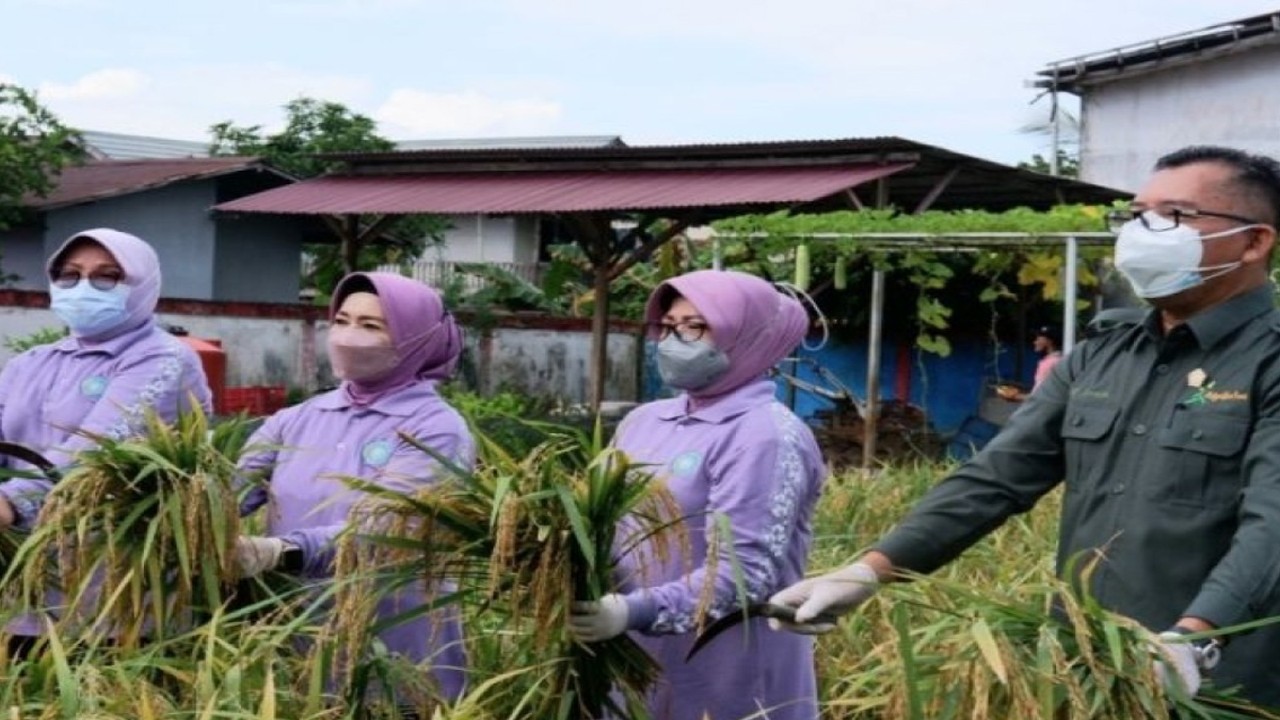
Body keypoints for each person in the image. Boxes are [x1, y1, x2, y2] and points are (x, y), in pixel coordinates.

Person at [768, 145, 1280, 705]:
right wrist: (869, 571)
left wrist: (1196, 637)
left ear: (1255, 241)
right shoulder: (1102, 356)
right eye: (1137, 215)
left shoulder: (1269, 361)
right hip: (1087, 667)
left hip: (1224, 682)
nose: (1144, 231)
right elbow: (995, 478)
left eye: (1174, 216)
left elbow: (1272, 525)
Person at [567, 270, 827, 720]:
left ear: (744, 336)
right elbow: (599, 522)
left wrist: (633, 609)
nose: (675, 340)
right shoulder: (645, 421)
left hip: (730, 667)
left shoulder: (765, 434)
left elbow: (745, 574)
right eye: (669, 326)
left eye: (697, 326)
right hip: (636, 661)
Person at [232, 271, 472, 708]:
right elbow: (232, 490)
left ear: (417, 339)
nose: (347, 336)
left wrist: (277, 552)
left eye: (371, 326)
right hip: (303, 634)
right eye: (341, 320)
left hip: (399, 642)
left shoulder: (436, 430)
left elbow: (389, 528)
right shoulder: (298, 418)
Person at [0, 228, 212, 645]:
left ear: (143, 284)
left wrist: (10, 501)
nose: (83, 287)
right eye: (69, 275)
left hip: (118, 597)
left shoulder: (164, 360)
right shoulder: (32, 362)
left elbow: (97, 454)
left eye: (107, 276)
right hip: (27, 585)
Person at [995, 324, 1062, 401]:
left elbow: (1041, 397)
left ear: (1049, 341)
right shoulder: (1054, 360)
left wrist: (1015, 396)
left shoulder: (1052, 362)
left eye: (1038, 339)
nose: (1035, 342)